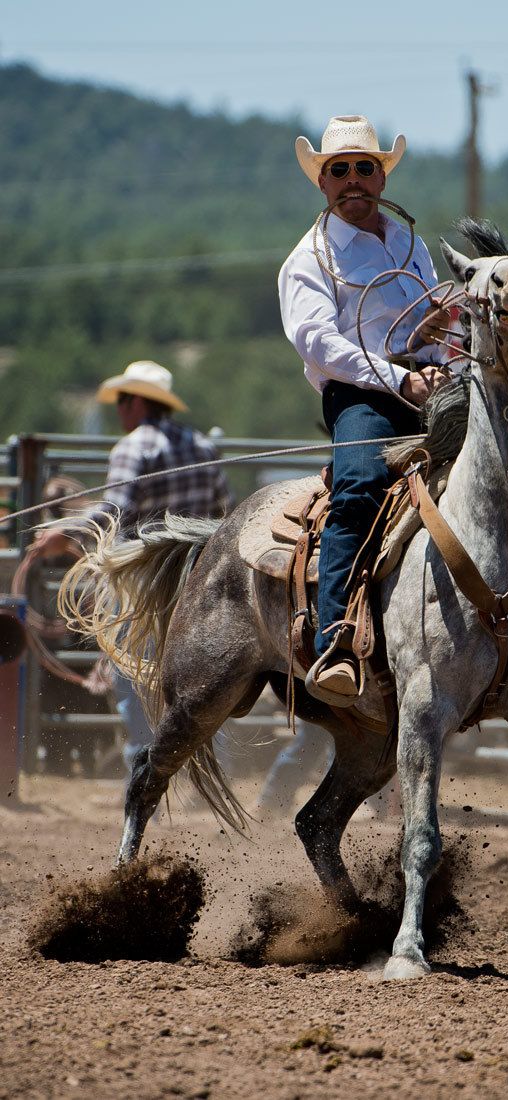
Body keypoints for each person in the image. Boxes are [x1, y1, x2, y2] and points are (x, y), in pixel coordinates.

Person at [279, 115, 451, 704]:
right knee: (358, 486)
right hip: (358, 396)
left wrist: (431, 354)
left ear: (381, 176)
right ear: (322, 183)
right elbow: (318, 344)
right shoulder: (309, 258)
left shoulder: (409, 242)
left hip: (422, 380)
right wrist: (400, 378)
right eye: (340, 170)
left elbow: (427, 317)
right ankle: (336, 642)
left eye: (365, 168)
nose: (354, 179)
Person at [31, 360, 234, 771]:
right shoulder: (203, 448)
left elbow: (114, 512)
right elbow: (223, 513)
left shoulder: (133, 447)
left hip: (141, 592)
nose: (120, 410)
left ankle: (143, 784)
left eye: (123, 401)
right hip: (194, 590)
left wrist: (63, 533)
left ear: (138, 402)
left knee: (138, 691)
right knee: (205, 688)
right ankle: (219, 776)